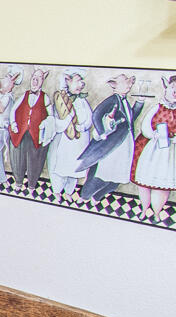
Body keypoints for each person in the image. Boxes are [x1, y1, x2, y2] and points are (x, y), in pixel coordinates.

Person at [75, 73, 138, 203]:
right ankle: (84, 197)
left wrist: (140, 103)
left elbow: (129, 119)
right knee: (103, 174)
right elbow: (96, 115)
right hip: (112, 144)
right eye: (125, 82)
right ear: (115, 85)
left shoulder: (124, 101)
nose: (129, 84)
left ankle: (96, 197)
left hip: (124, 144)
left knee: (118, 178)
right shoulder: (113, 100)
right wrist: (102, 132)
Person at [133, 73, 176, 221]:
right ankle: (144, 209)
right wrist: (153, 134)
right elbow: (145, 126)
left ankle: (157, 212)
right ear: (167, 88)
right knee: (144, 182)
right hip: (151, 150)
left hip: (169, 153)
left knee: (162, 185)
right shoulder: (157, 107)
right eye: (173, 88)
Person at [44, 72, 92, 198]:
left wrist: (82, 127)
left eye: (81, 81)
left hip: (80, 142)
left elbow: (89, 118)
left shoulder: (82, 101)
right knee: (62, 167)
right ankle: (57, 190)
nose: (81, 84)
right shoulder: (61, 100)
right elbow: (57, 123)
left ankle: (69, 192)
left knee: (75, 169)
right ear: (68, 82)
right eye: (77, 81)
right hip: (65, 141)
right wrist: (68, 120)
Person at [6, 67, 51, 189]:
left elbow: (51, 117)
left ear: (43, 80)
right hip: (20, 133)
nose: (35, 81)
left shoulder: (45, 98)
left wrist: (45, 125)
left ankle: (31, 184)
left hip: (36, 135)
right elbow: (13, 110)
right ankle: (18, 182)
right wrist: (13, 123)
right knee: (18, 158)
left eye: (39, 78)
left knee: (35, 161)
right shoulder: (25, 95)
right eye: (34, 77)